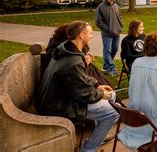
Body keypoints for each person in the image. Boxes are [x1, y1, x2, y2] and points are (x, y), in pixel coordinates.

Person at [36, 21, 119, 152]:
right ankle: (87, 149)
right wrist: (101, 95)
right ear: (81, 36)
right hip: (59, 105)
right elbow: (85, 95)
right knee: (113, 113)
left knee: (112, 95)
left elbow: (80, 78)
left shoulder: (67, 48)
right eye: (90, 33)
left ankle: (98, 136)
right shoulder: (73, 61)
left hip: (60, 97)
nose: (92, 36)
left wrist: (97, 85)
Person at [42, 23, 115, 90]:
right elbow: (77, 82)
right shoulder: (63, 53)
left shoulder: (63, 50)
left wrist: (96, 85)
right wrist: (85, 61)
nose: (91, 37)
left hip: (85, 86)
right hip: (68, 95)